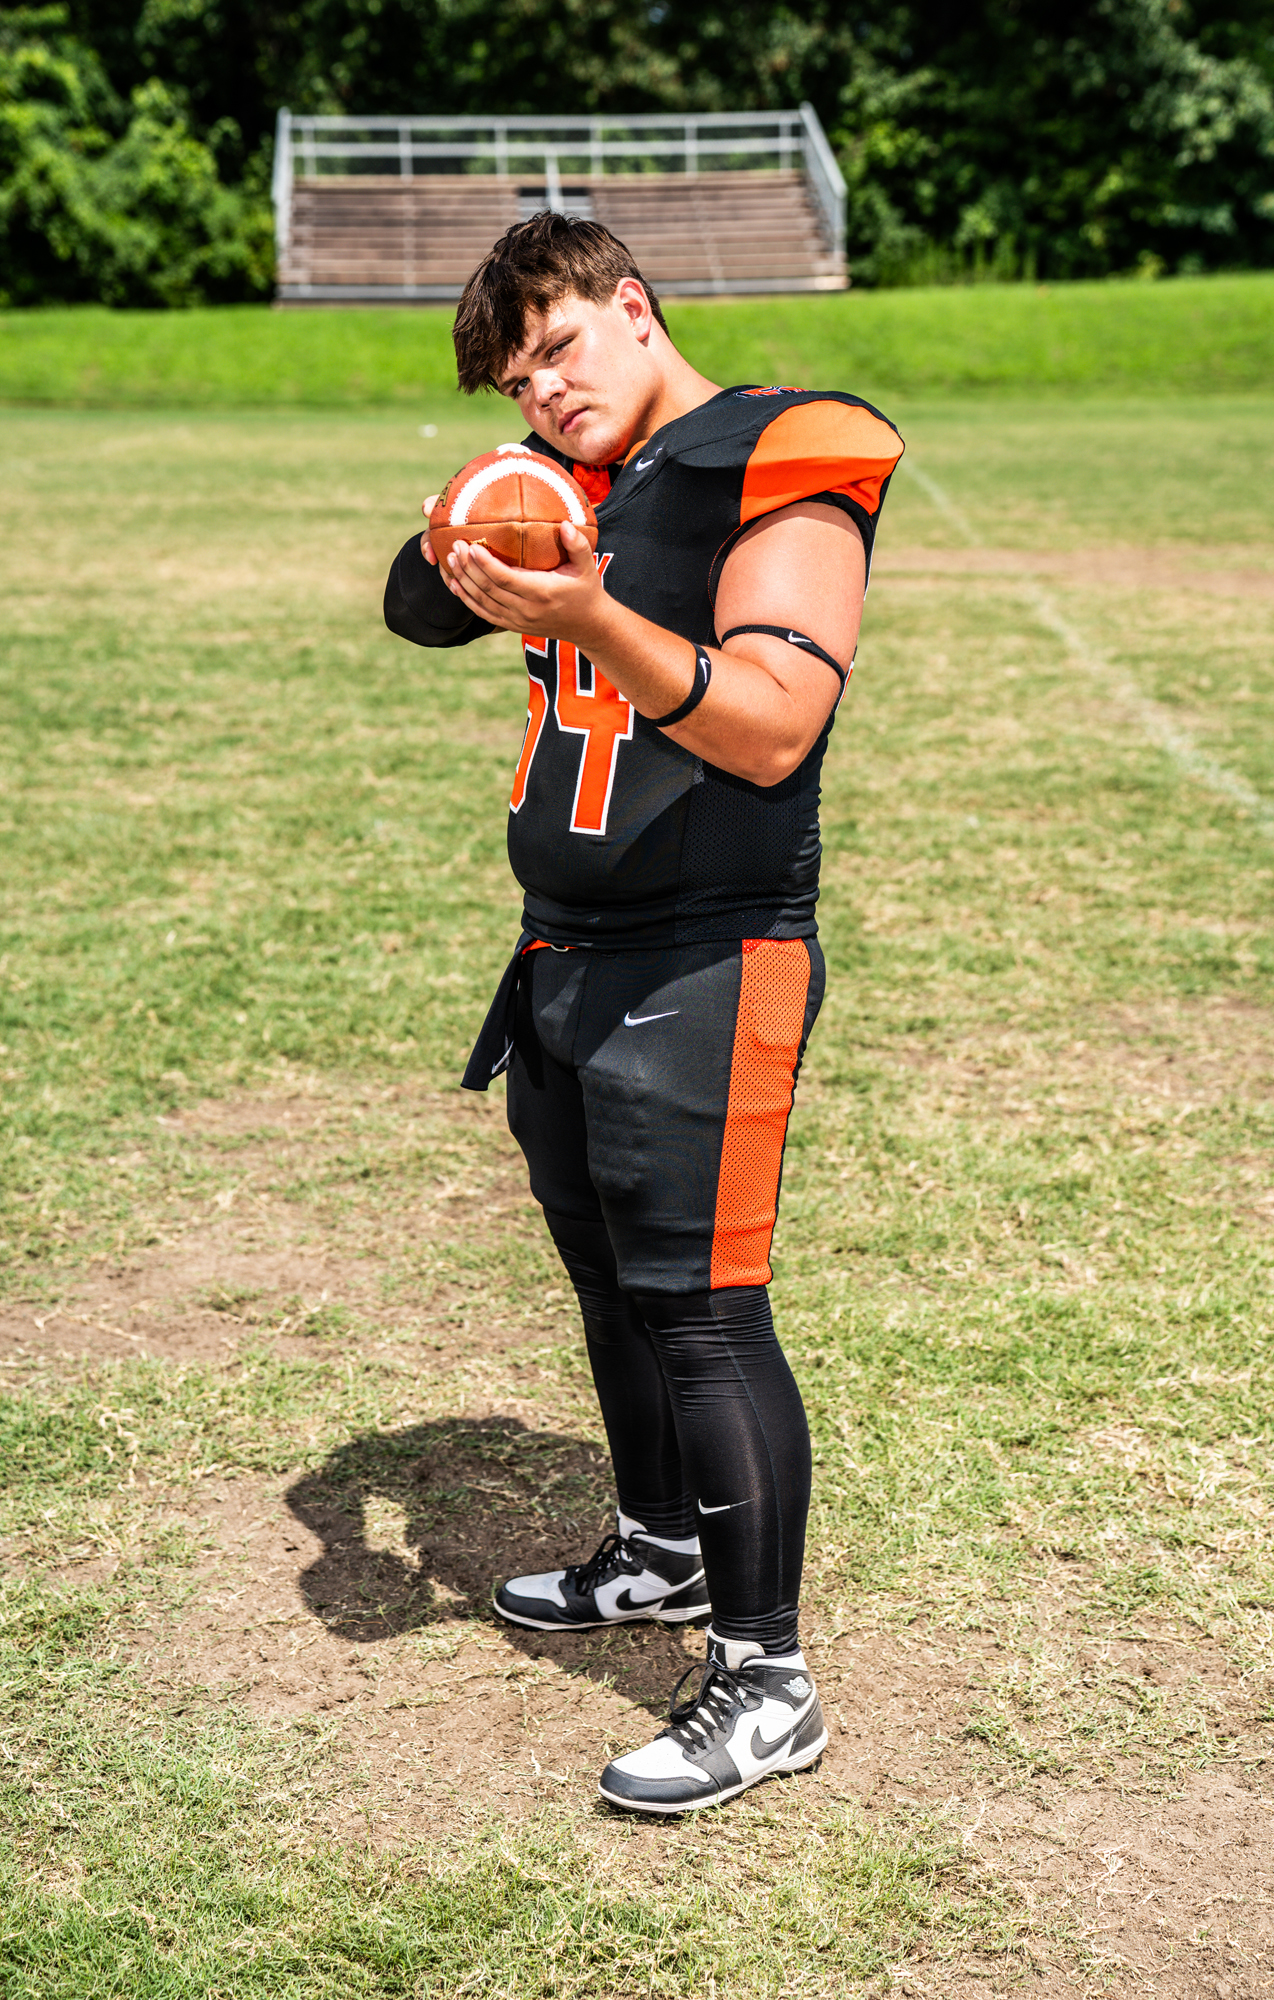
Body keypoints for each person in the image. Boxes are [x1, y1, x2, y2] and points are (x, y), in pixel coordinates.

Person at [384, 214, 902, 1815]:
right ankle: (661, 1543)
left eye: (558, 348)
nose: (543, 390)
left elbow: (772, 724)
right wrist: (497, 512)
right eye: (515, 380)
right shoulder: (570, 483)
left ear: (632, 305)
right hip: (563, 949)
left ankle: (765, 1684)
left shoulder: (780, 449)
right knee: (608, 1281)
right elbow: (413, 604)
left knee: (702, 1308)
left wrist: (590, 613)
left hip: (706, 955)